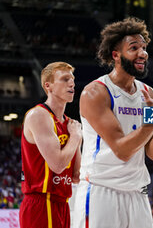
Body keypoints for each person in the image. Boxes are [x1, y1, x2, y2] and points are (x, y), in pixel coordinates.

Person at [72, 17, 153, 228]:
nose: (143, 53)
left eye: (144, 47)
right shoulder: (95, 93)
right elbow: (122, 150)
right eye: (134, 48)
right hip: (101, 190)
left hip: (137, 193)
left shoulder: (147, 93)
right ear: (116, 55)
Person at [20, 62, 82, 228]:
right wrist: (75, 138)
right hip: (41, 201)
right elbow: (58, 165)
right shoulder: (38, 115)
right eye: (65, 79)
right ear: (49, 86)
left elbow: (76, 176)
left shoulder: (71, 125)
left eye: (73, 79)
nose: (72, 83)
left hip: (63, 203)